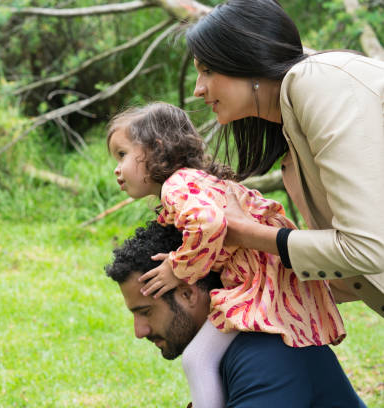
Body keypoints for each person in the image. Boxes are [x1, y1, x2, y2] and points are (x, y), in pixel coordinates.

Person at [106, 102, 345, 408]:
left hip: (257, 281)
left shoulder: (176, 186)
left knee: (196, 359)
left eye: (122, 154)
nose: (117, 168)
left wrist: (178, 267)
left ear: (156, 149)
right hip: (270, 272)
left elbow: (209, 223)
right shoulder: (196, 183)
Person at [185, 0, 384, 317]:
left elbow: (367, 249)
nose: (198, 89)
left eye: (207, 70)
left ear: (245, 58)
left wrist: (248, 233)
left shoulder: (317, 81)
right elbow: (352, 269)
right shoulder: (292, 154)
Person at [105, 221, 366, 408]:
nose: (139, 331)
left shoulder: (268, 353)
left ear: (188, 293)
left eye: (145, 312)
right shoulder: (231, 349)